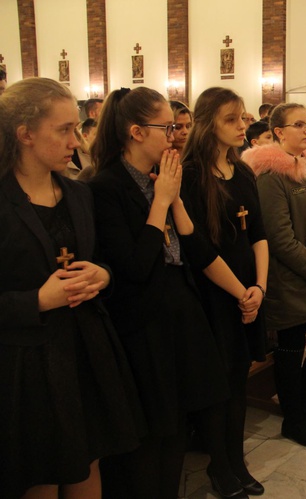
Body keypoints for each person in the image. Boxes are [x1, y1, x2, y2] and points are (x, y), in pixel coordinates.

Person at [0, 77, 143, 499]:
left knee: (89, 460)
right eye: (64, 130)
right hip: (25, 361)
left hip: (85, 348)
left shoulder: (78, 194)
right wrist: (37, 301)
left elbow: (101, 259)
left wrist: (103, 274)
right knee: (42, 474)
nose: (77, 141)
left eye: (77, 128)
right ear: (24, 134)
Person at [88, 86, 231, 498]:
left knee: (180, 425)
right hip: (143, 321)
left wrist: (175, 201)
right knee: (154, 429)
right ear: (136, 131)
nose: (174, 134)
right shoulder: (106, 187)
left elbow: (196, 249)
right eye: (166, 126)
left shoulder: (162, 177)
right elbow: (133, 266)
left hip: (180, 309)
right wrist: (161, 202)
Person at [181, 87, 269, 497]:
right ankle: (220, 466)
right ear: (208, 123)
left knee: (238, 381)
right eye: (231, 119)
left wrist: (260, 288)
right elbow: (199, 248)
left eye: (243, 117)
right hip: (215, 295)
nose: (242, 125)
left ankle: (236, 461)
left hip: (249, 292)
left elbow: (260, 235)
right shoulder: (191, 175)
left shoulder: (244, 171)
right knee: (218, 386)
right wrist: (241, 293)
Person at [244, 103, 306, 449]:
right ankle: (294, 418)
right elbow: (281, 239)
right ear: (278, 132)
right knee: (290, 352)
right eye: (299, 125)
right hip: (291, 282)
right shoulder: (271, 177)